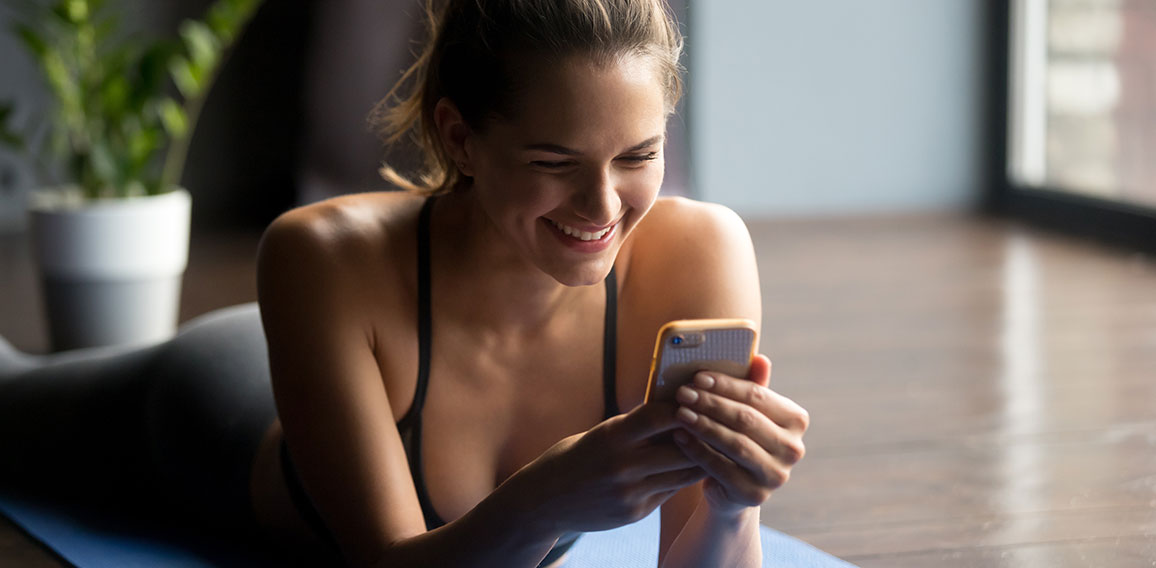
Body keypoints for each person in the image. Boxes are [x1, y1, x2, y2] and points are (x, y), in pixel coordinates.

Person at [0, 0, 810, 566]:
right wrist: (549, 499)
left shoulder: (699, 252)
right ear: (459, 136)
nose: (604, 206)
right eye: (552, 163)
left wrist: (736, 502)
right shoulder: (316, 253)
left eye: (637, 156)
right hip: (217, 409)